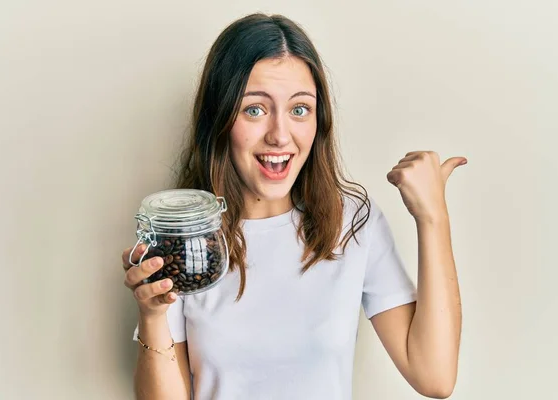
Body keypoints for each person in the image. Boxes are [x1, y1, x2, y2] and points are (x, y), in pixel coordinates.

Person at [122, 12, 465, 400]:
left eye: (299, 109)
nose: (280, 135)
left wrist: (432, 216)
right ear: (220, 118)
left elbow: (434, 376)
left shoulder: (352, 222)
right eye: (255, 109)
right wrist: (152, 316)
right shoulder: (189, 240)